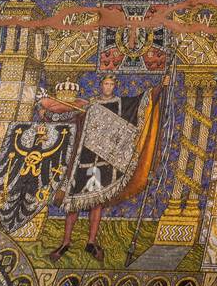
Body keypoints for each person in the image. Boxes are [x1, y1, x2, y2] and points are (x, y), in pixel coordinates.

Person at [50, 74, 168, 263]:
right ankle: (65, 242)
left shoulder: (120, 104)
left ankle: (91, 242)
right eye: (105, 83)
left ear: (115, 86)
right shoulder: (91, 104)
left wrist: (160, 88)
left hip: (104, 162)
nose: (108, 87)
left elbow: (141, 102)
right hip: (83, 158)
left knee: (97, 202)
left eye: (111, 84)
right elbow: (73, 119)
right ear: (101, 85)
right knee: (73, 202)